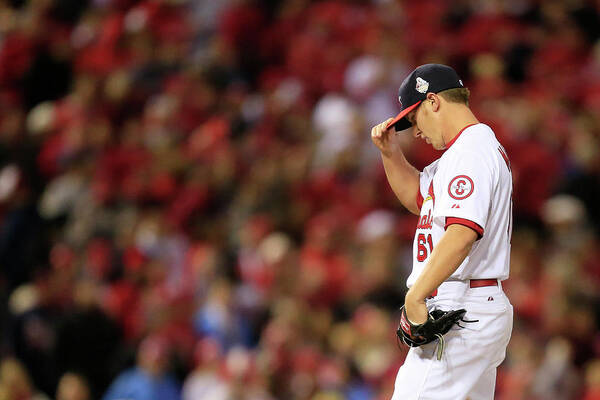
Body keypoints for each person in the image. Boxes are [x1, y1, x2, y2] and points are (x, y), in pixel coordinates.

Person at [370, 64, 513, 399]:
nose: (414, 131)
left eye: (414, 118)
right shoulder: (464, 152)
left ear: (433, 101)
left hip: (461, 306)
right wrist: (391, 153)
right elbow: (419, 199)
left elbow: (462, 233)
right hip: (474, 304)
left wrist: (416, 294)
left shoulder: (471, 151)